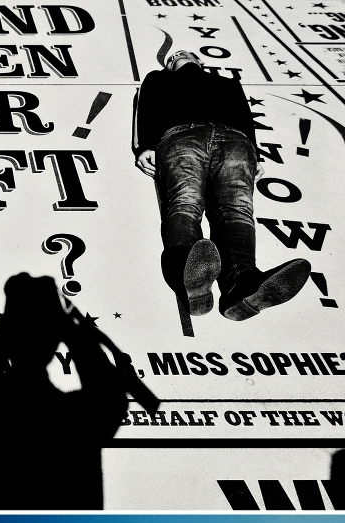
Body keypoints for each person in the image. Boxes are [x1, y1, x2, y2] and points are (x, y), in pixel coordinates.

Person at [0, 273, 157, 509]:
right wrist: (69, 328)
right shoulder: (77, 418)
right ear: (55, 341)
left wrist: (10, 324)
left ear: (8, 337)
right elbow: (109, 391)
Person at [133, 48, 310, 322]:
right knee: (185, 202)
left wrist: (256, 153)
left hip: (236, 141)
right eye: (173, 56)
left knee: (237, 210)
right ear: (169, 65)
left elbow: (244, 115)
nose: (178, 55)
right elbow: (147, 106)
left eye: (184, 52)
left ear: (199, 60)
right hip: (181, 136)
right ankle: (187, 275)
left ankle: (243, 287)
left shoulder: (227, 82)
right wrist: (145, 145)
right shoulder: (157, 78)